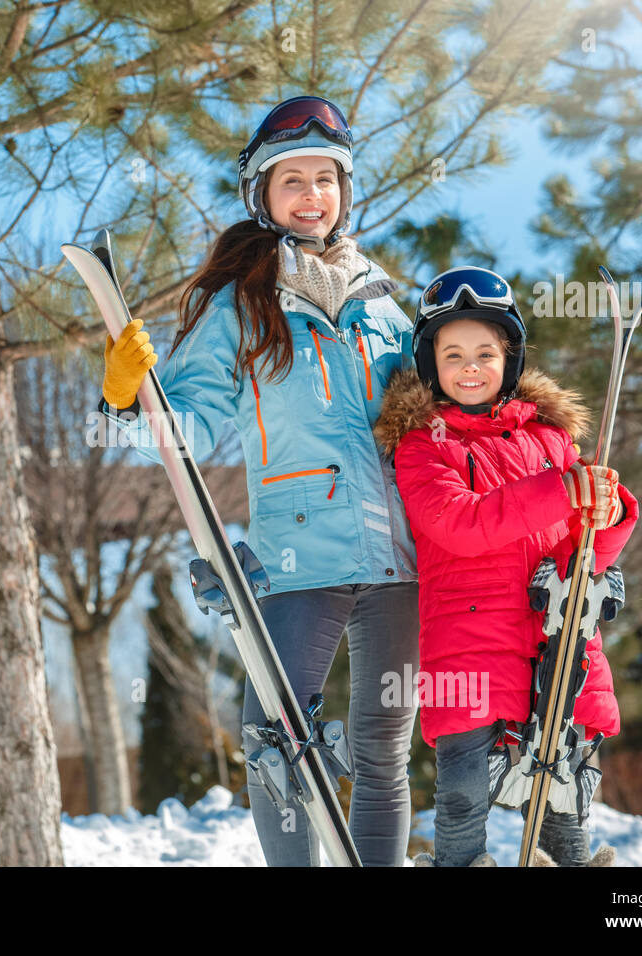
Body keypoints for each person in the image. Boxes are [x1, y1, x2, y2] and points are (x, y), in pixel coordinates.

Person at [97, 96, 420, 866]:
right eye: (293, 182)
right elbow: (186, 435)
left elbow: (438, 421)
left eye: (326, 179)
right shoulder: (240, 305)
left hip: (401, 557)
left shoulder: (386, 307)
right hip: (299, 555)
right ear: (265, 198)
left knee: (383, 751)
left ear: (345, 191)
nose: (313, 196)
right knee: (275, 746)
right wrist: (122, 399)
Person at [373, 266, 637, 866]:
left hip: (559, 643)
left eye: (486, 352)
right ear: (429, 361)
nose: (471, 366)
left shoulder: (550, 440)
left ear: (510, 358)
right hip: (469, 647)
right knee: (466, 791)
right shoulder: (422, 445)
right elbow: (457, 525)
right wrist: (560, 491)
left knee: (562, 798)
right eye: (454, 353)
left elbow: (584, 553)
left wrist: (609, 511)